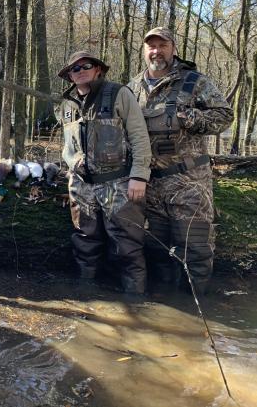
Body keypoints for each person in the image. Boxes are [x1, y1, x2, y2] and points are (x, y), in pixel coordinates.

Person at [128, 27, 233, 293]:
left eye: (162, 45)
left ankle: (195, 313)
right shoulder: (132, 87)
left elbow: (224, 116)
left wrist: (188, 118)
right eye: (151, 46)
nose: (156, 51)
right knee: (156, 249)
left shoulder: (193, 81)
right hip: (149, 184)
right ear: (144, 50)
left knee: (195, 249)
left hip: (189, 182)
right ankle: (168, 312)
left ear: (173, 48)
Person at [58, 50, 152, 294]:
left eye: (85, 66)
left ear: (98, 69)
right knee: (84, 243)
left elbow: (139, 136)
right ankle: (87, 296)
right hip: (82, 187)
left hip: (118, 183)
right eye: (74, 69)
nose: (80, 71)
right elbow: (67, 147)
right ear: (69, 76)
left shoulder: (119, 93)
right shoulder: (67, 104)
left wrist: (139, 176)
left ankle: (135, 302)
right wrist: (72, 165)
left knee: (127, 246)